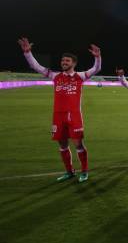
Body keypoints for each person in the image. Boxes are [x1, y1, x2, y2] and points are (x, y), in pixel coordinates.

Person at [17, 37, 101, 183]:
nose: (64, 63)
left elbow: (96, 69)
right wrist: (27, 53)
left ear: (73, 63)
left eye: (67, 61)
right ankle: (69, 171)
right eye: (63, 61)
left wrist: (98, 57)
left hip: (74, 115)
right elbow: (36, 66)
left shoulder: (80, 76)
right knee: (62, 145)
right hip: (58, 116)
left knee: (78, 144)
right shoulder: (55, 76)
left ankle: (84, 171)